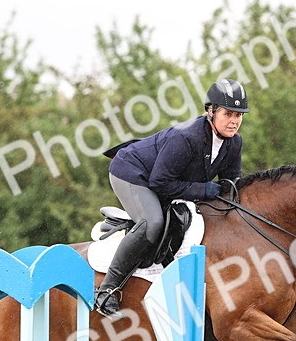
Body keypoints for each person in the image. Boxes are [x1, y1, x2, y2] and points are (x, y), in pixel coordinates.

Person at [93, 78, 249, 316]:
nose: (234, 121)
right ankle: (107, 290)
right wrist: (203, 190)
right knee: (152, 223)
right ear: (211, 111)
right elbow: (160, 183)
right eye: (228, 114)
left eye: (238, 115)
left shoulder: (234, 143)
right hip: (132, 172)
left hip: (164, 180)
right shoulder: (188, 137)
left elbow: (230, 187)